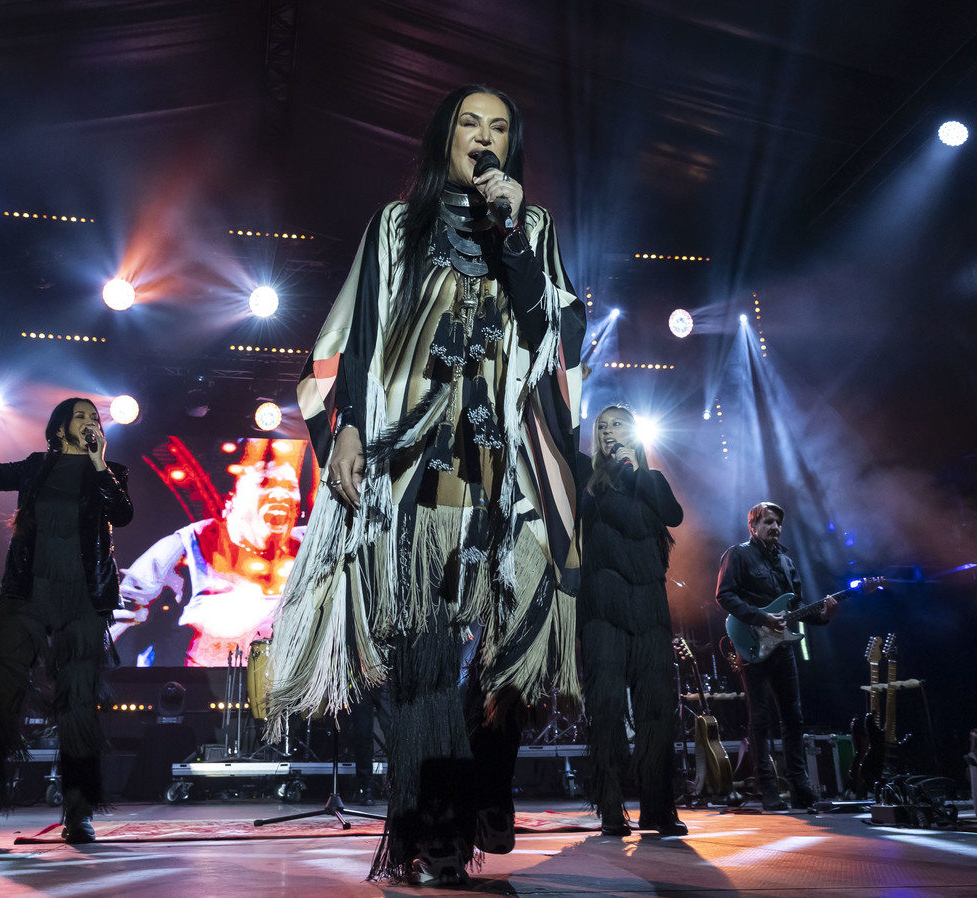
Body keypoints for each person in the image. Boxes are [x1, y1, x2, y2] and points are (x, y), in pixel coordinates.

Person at [267, 84, 585, 884]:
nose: (484, 136)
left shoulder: (531, 226)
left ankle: (479, 793)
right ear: (446, 135)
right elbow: (358, 334)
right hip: (413, 463)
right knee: (422, 657)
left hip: (500, 465)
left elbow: (547, 330)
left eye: (499, 127)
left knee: (515, 648)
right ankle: (429, 832)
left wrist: (511, 231)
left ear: (512, 147)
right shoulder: (395, 225)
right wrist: (346, 426)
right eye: (470, 122)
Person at [0, 390, 133, 846]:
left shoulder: (111, 472)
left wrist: (99, 463)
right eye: (80, 416)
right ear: (59, 428)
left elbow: (122, 515)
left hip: (82, 602)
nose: (90, 421)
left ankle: (78, 813)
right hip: (27, 596)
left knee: (78, 705)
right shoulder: (33, 467)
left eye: (94, 417)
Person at [577, 405, 686, 836]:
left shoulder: (650, 479)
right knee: (605, 706)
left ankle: (658, 808)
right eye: (601, 426)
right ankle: (610, 807)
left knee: (656, 707)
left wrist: (635, 468)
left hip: (648, 605)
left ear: (634, 432)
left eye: (616, 424)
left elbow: (673, 515)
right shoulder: (587, 478)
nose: (607, 431)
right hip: (602, 605)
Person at [114, 456, 303, 666]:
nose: (280, 494)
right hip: (195, 682)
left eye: (289, 487)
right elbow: (121, 618)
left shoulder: (307, 546)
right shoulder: (187, 546)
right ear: (232, 499)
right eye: (265, 483)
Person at [715, 502, 837, 811]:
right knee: (760, 719)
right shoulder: (738, 554)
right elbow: (724, 595)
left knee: (793, 718)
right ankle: (767, 788)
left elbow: (796, 607)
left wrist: (824, 615)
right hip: (752, 645)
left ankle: (799, 787)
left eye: (778, 523)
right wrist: (761, 618)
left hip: (782, 648)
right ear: (753, 526)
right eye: (768, 522)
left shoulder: (786, 561)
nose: (775, 527)